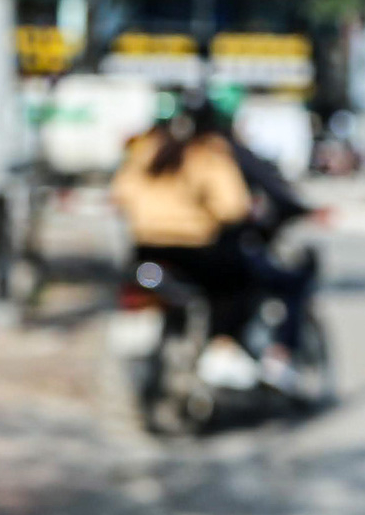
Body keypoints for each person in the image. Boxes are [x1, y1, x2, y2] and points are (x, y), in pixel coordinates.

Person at [111, 98, 259, 388]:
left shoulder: (148, 151)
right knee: (236, 282)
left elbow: (120, 194)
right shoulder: (209, 154)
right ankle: (222, 346)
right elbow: (233, 206)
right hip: (194, 252)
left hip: (145, 251)